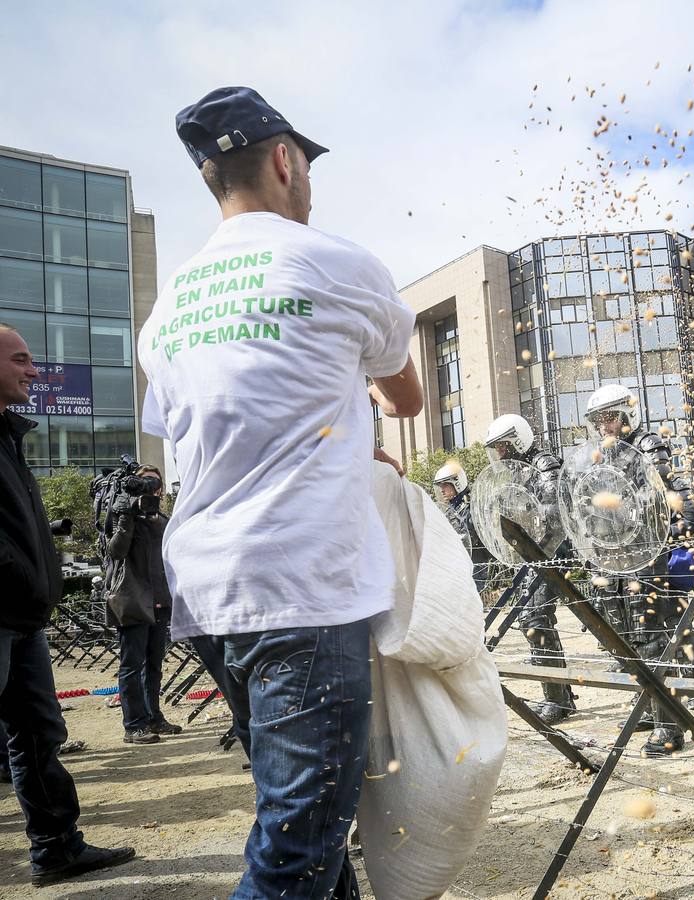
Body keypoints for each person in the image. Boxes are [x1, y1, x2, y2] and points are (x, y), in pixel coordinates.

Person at [139, 87, 421, 898]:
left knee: (299, 816)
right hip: (302, 587)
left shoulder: (168, 311)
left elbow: (202, 423)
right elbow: (403, 400)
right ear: (284, 159)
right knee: (295, 849)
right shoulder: (334, 261)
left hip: (207, 590)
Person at [0, 324, 136, 885]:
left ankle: (56, 849)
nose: (35, 371)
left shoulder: (11, 437)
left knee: (37, 736)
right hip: (3, 612)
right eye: (22, 360)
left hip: (23, 618)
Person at [582, 384, 694, 755]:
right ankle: (652, 707)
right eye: (598, 420)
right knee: (628, 639)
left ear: (626, 415)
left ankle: (670, 729)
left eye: (609, 417)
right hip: (614, 558)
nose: (604, 426)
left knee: (652, 636)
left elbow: (672, 502)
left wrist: (668, 531)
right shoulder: (601, 459)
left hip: (645, 559)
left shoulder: (647, 449)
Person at [484, 413, 578, 725]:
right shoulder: (519, 475)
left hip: (553, 554)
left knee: (535, 619)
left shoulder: (544, 465)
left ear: (518, 440)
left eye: (503, 447)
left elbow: (553, 518)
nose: (500, 454)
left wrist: (534, 552)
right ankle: (559, 697)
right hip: (533, 556)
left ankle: (559, 700)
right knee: (534, 620)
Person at [105, 464, 182, 744]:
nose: (151, 487)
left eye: (155, 483)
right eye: (145, 482)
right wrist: (127, 514)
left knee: (154, 665)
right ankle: (133, 724)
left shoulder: (163, 519)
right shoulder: (121, 515)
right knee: (131, 665)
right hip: (133, 601)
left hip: (160, 602)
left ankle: (153, 717)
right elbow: (115, 551)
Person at [434, 460, 491, 593]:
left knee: (475, 597)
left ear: (457, 484)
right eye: (440, 486)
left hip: (475, 562)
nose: (442, 490)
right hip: (458, 563)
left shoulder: (470, 507)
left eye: (445, 486)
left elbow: (471, 535)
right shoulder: (451, 509)